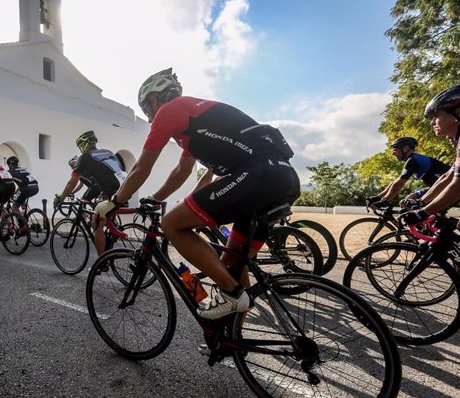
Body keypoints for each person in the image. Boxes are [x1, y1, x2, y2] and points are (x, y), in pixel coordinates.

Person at [94, 68, 300, 320]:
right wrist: (156, 198)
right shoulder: (195, 121)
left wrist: (114, 201)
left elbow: (141, 167)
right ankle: (234, 341)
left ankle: (232, 294)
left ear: (156, 99)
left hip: (258, 176)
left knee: (172, 224)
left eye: (148, 110)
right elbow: (181, 171)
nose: (149, 119)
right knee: (232, 266)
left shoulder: (171, 110)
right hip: (283, 177)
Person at [401, 84, 460, 238]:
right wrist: (422, 203)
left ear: (459, 112)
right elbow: (447, 177)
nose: (432, 122)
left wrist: (422, 212)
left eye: (436, 116)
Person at [55, 131, 126, 255]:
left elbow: (71, 183)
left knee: (96, 225)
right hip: (126, 186)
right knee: (105, 216)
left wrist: (61, 197)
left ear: (84, 145)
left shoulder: (85, 156)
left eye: (80, 146)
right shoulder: (107, 152)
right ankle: (110, 234)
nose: (80, 149)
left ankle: (102, 261)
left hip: (109, 189)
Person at [367, 136, 449, 208]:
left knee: (422, 211)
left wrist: (384, 201)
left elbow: (398, 185)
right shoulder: (413, 159)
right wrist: (378, 197)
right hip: (439, 188)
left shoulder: (413, 160)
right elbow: (396, 182)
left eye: (395, 149)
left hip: (449, 189)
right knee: (408, 200)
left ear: (405, 148)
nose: (393, 153)